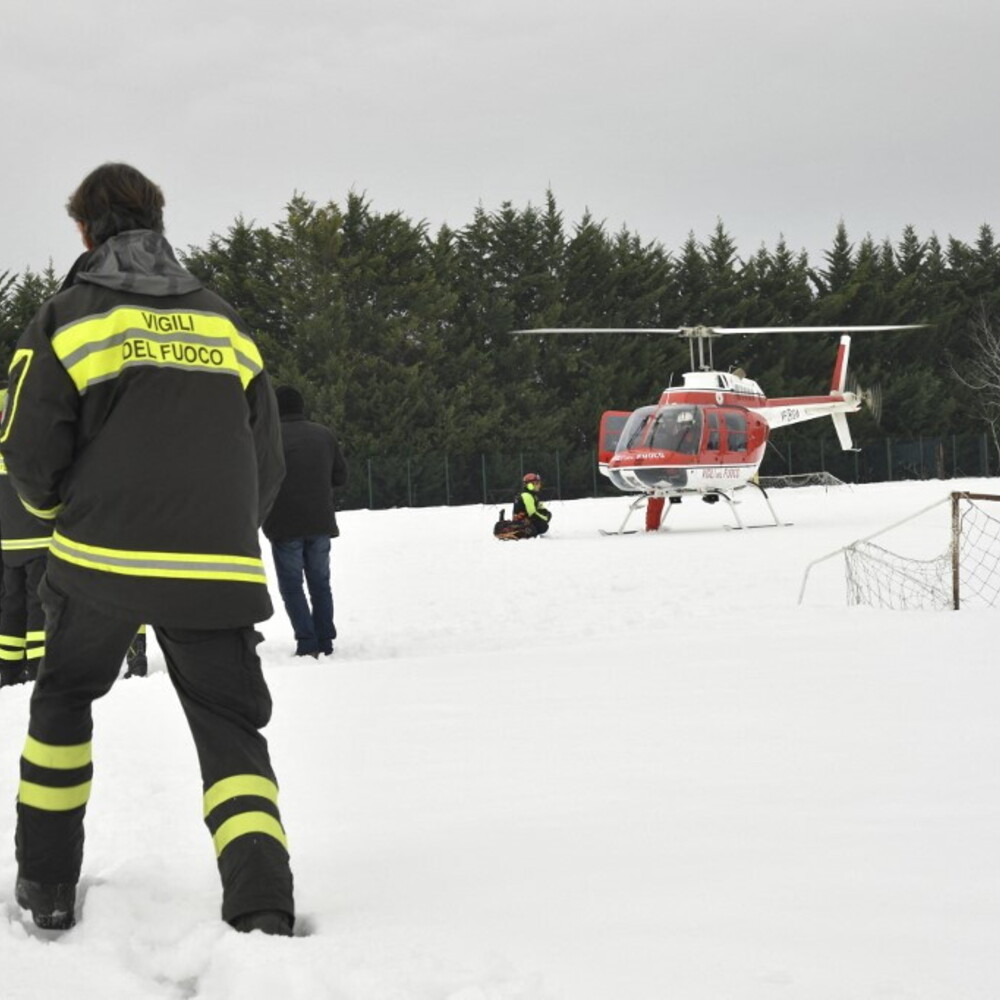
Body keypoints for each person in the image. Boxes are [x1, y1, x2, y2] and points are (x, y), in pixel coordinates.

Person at [1, 163, 294, 935]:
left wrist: (61, 511)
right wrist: (224, 532)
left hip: (101, 561)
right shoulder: (224, 321)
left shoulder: (68, 316)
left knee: (63, 702)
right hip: (216, 569)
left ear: (83, 230)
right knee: (231, 730)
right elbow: (267, 462)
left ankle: (48, 886)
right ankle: (262, 904)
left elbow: (29, 454)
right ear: (158, 222)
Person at [263, 385, 347, 657]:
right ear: (301, 406)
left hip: (284, 524)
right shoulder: (324, 435)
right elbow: (340, 477)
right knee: (321, 584)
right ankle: (325, 640)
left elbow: (258, 480)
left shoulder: (267, 438)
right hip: (320, 522)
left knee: (292, 586)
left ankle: (307, 641)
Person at [0, 440, 51, 686]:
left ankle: (8, 669)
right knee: (38, 602)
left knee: (12, 602)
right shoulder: (29, 425)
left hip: (9, 538)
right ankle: (37, 666)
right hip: (37, 533)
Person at [494, 472, 552, 540]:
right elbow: (532, 513)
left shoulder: (533, 496)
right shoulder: (527, 496)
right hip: (521, 523)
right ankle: (510, 531)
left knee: (542, 526)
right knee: (536, 529)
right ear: (529, 485)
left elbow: (540, 508)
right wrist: (545, 518)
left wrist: (547, 514)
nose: (539, 485)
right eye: (536, 483)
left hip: (526, 521)